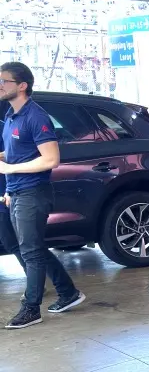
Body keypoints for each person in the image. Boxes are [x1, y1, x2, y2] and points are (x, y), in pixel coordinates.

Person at [0, 62, 84, 329]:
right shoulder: (12, 116)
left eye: (4, 81)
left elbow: (51, 159)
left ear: (22, 86)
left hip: (33, 192)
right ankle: (68, 293)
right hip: (17, 191)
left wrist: (10, 169)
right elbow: (20, 152)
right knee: (33, 248)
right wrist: (6, 167)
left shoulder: (36, 117)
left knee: (31, 252)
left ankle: (31, 309)